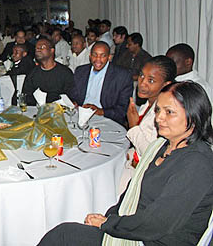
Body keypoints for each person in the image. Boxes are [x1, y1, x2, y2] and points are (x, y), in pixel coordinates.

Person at [38, 81, 213, 246]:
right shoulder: (163, 146)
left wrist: (108, 224)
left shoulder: (197, 163)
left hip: (154, 240)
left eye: (169, 112)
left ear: (194, 115)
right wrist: (110, 217)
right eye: (158, 110)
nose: (159, 118)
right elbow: (133, 191)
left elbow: (158, 223)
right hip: (139, 228)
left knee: (63, 236)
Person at [120, 56, 176, 192]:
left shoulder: (164, 116)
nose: (142, 83)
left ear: (165, 85)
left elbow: (153, 154)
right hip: (132, 164)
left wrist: (133, 127)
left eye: (150, 80)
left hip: (144, 176)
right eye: (141, 76)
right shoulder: (148, 103)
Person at [70, 42, 133, 126]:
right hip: (81, 116)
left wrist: (100, 111)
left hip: (107, 120)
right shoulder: (80, 71)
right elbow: (73, 95)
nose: (98, 59)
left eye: (103, 56)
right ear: (90, 56)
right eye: (94, 55)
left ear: (109, 57)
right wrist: (74, 103)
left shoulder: (122, 76)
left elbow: (122, 109)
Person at [22, 37, 74, 105]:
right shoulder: (33, 73)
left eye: (42, 47)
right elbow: (26, 97)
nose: (38, 50)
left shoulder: (65, 73)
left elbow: (70, 98)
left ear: (52, 50)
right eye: (36, 48)